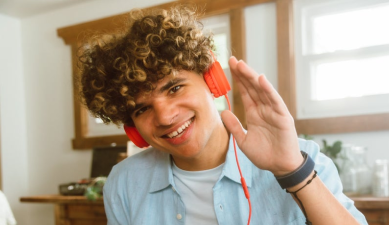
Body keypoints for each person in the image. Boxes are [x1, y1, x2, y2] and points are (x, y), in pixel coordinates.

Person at [78, 5, 367, 225]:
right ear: (133, 130)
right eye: (142, 109)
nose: (165, 117)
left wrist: (293, 171)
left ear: (212, 80)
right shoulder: (125, 182)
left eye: (175, 88)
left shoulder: (302, 158)